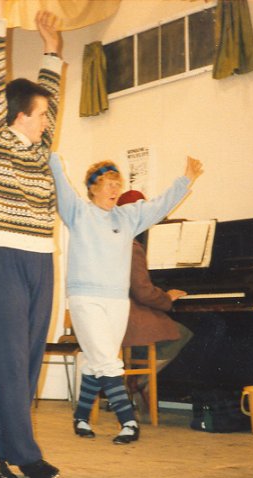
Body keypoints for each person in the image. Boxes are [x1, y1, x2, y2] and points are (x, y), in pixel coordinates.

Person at [0, 0, 63, 478]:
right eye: (41, 113)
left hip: (41, 260)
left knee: (25, 362)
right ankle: (25, 453)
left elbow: (53, 96)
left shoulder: (40, 148)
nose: (48, 119)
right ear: (18, 115)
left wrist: (51, 49)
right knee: (6, 360)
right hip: (2, 256)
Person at [49, 154, 203, 444]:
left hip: (116, 301)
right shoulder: (77, 212)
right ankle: (128, 421)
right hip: (86, 298)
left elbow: (159, 205)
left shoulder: (127, 217)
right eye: (107, 184)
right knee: (108, 360)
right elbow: (61, 186)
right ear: (92, 188)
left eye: (116, 184)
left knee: (98, 361)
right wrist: (51, 157)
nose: (113, 190)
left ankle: (81, 417)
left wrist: (186, 180)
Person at [116, 190, 194, 407]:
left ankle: (137, 379)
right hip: (131, 317)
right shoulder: (133, 247)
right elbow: (143, 291)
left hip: (116, 315)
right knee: (181, 333)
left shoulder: (114, 240)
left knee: (163, 328)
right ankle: (140, 379)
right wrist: (167, 297)